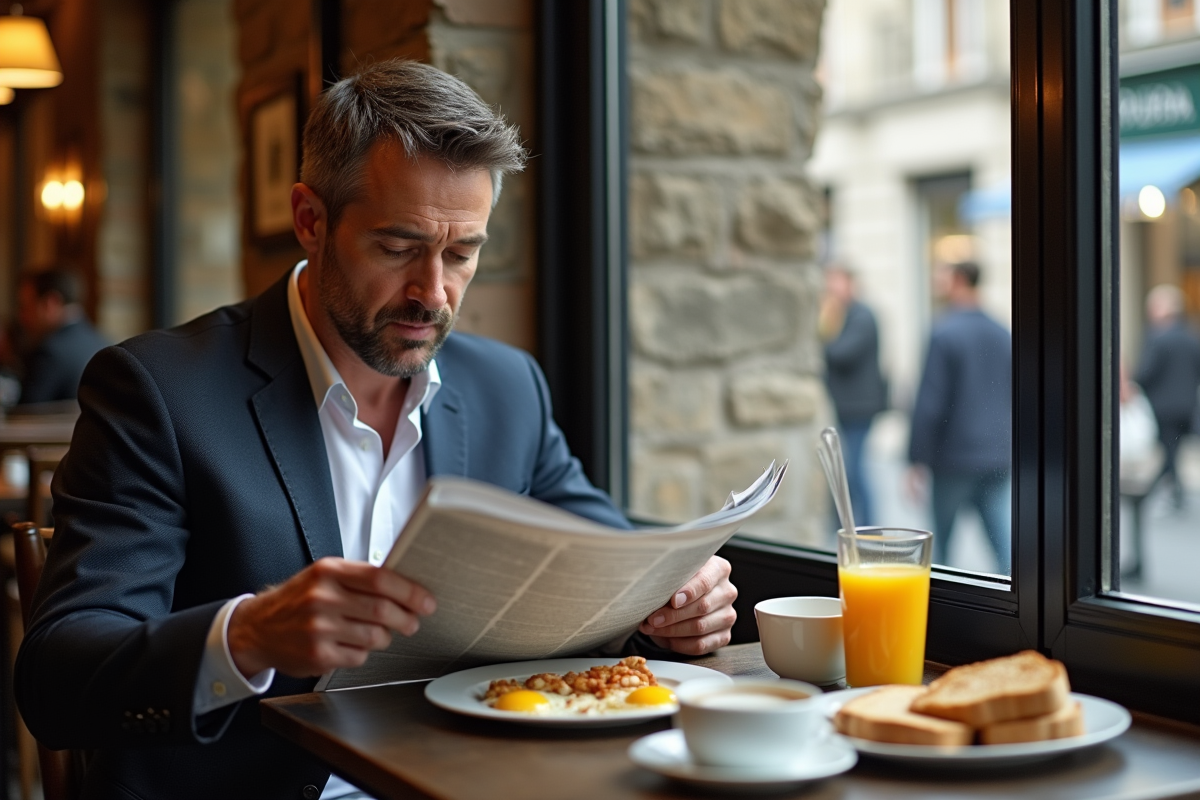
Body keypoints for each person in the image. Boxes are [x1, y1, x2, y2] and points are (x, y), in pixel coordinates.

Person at [15, 61, 738, 800]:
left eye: (462, 254)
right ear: (311, 220)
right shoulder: (159, 392)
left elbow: (609, 571)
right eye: (398, 248)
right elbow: (57, 677)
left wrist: (670, 608)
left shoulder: (507, 389)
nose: (433, 293)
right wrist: (249, 635)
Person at [908, 262, 1012, 573]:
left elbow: (930, 403)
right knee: (1003, 546)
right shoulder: (1001, 332)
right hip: (996, 454)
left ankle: (938, 612)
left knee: (941, 550)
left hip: (954, 457)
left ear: (958, 280)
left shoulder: (944, 333)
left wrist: (916, 459)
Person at [820, 264, 887, 526]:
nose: (830, 288)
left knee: (854, 470)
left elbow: (840, 353)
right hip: (845, 406)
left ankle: (870, 528)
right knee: (844, 470)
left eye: (835, 282)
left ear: (850, 284)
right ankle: (844, 526)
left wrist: (821, 338)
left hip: (859, 407)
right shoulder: (840, 313)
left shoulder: (862, 316)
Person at [1134, 284, 1200, 508]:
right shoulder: (1191, 337)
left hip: (1162, 407)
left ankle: (1149, 493)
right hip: (1187, 405)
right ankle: (1176, 493)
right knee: (1173, 450)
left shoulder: (1158, 339)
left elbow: (1146, 373)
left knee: (1168, 452)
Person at [13, 266, 108, 405]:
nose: (22, 317)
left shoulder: (49, 353)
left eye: (25, 306)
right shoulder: (106, 343)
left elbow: (23, 416)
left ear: (51, 303)